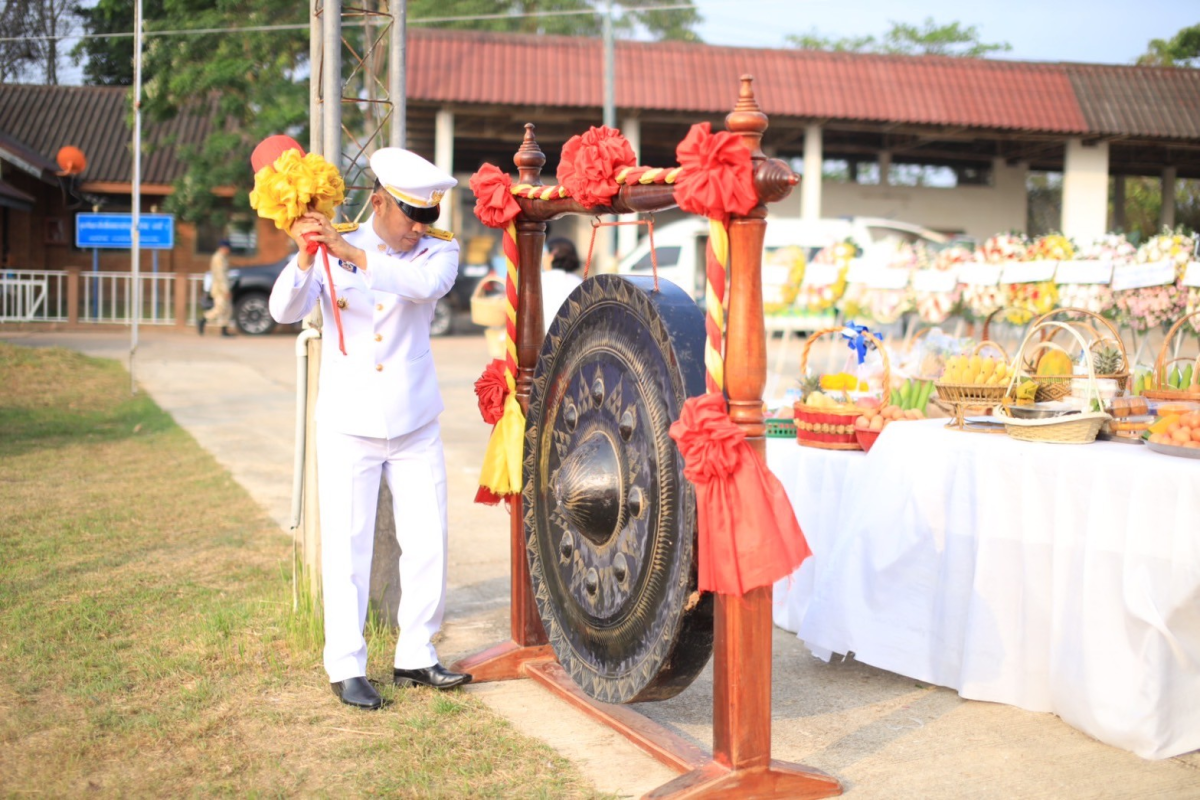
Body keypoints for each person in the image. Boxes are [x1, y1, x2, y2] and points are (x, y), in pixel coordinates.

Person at [268, 148, 471, 710]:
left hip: (413, 420)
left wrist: (349, 251)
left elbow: (421, 287)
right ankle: (346, 666)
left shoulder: (440, 249)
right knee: (349, 544)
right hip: (349, 420)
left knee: (428, 540)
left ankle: (417, 655)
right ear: (379, 200)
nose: (420, 227)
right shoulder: (334, 247)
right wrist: (307, 257)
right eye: (412, 215)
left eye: (429, 215)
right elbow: (284, 311)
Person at [540, 237, 583, 333]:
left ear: (552, 255)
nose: (543, 258)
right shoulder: (578, 281)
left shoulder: (540, 280)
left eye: (545, 254)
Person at [199, 240, 234, 336]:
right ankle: (203, 319)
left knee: (227, 309)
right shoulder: (218, 258)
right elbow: (220, 275)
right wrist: (225, 290)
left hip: (224, 287)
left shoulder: (223, 257)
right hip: (219, 289)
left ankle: (224, 330)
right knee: (220, 308)